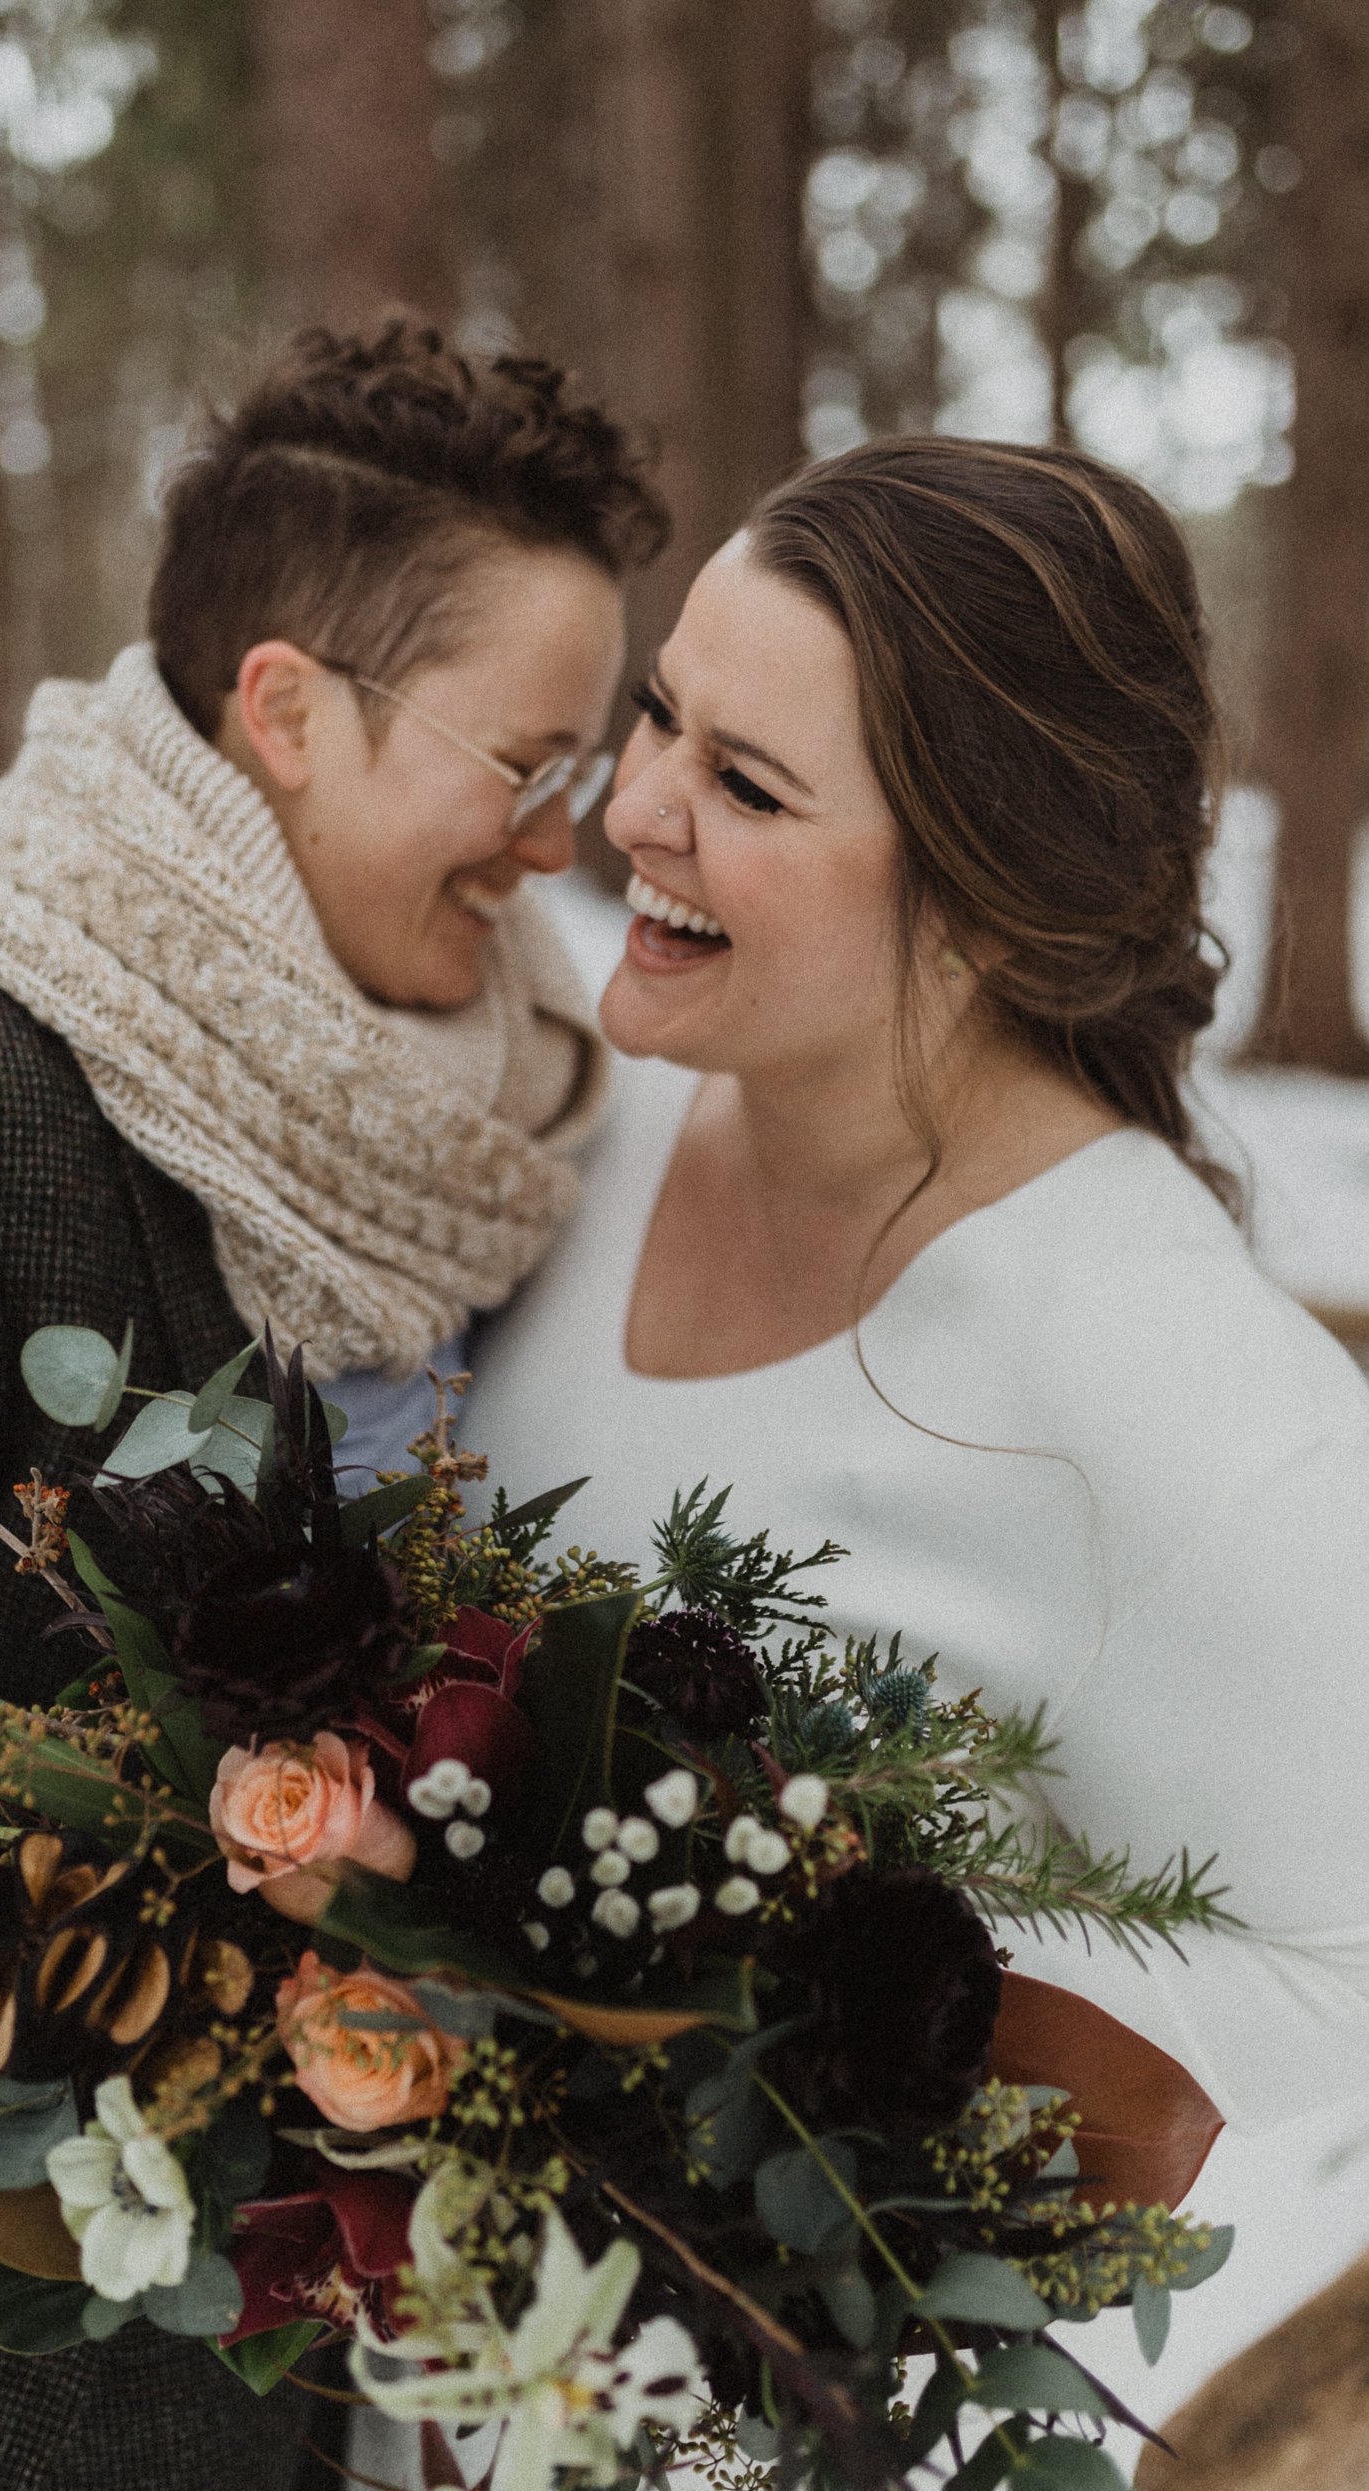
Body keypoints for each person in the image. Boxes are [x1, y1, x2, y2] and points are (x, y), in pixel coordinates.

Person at [0, 322, 664, 2491]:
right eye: (523, 766)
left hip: (299, 2405)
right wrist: (223, 1973)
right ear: (289, 707)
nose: (552, 844)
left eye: (578, 777)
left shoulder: (489, 1152)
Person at [464, 436, 1369, 2295]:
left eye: (749, 786)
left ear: (984, 903)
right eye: (659, 716)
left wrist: (845, 2072)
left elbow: (1343, 1995)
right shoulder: (586, 1124)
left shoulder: (1190, 1396)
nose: (632, 808)